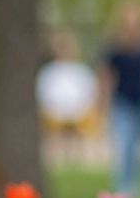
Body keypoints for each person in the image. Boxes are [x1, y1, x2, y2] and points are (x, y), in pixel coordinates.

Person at [103, 0, 140, 198]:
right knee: (124, 143)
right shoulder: (114, 47)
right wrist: (103, 102)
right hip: (121, 101)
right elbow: (108, 76)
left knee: (136, 147)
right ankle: (122, 186)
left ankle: (133, 185)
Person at [36, 33, 99, 166]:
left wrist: (78, 108)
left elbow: (89, 92)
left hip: (79, 111)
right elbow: (44, 93)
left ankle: (78, 159)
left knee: (86, 120)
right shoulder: (49, 71)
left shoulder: (81, 70)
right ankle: (55, 160)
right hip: (54, 111)